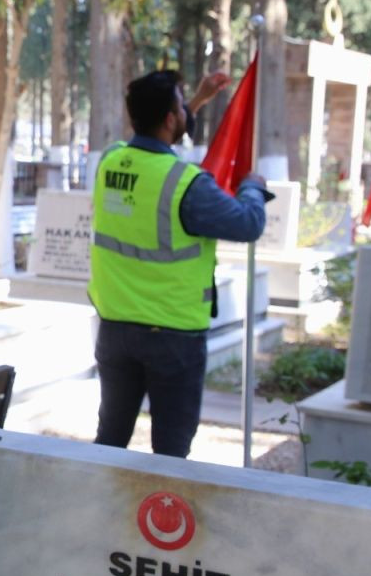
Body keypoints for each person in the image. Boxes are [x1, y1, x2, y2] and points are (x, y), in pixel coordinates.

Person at [87, 69, 269, 458]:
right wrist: (252, 186)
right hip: (172, 336)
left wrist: (199, 100)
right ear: (171, 118)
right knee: (171, 452)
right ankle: (158, 519)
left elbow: (156, 131)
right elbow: (248, 223)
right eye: (181, 105)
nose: (186, 110)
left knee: (110, 438)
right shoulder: (187, 184)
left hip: (116, 329)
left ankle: (97, 512)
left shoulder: (110, 162)